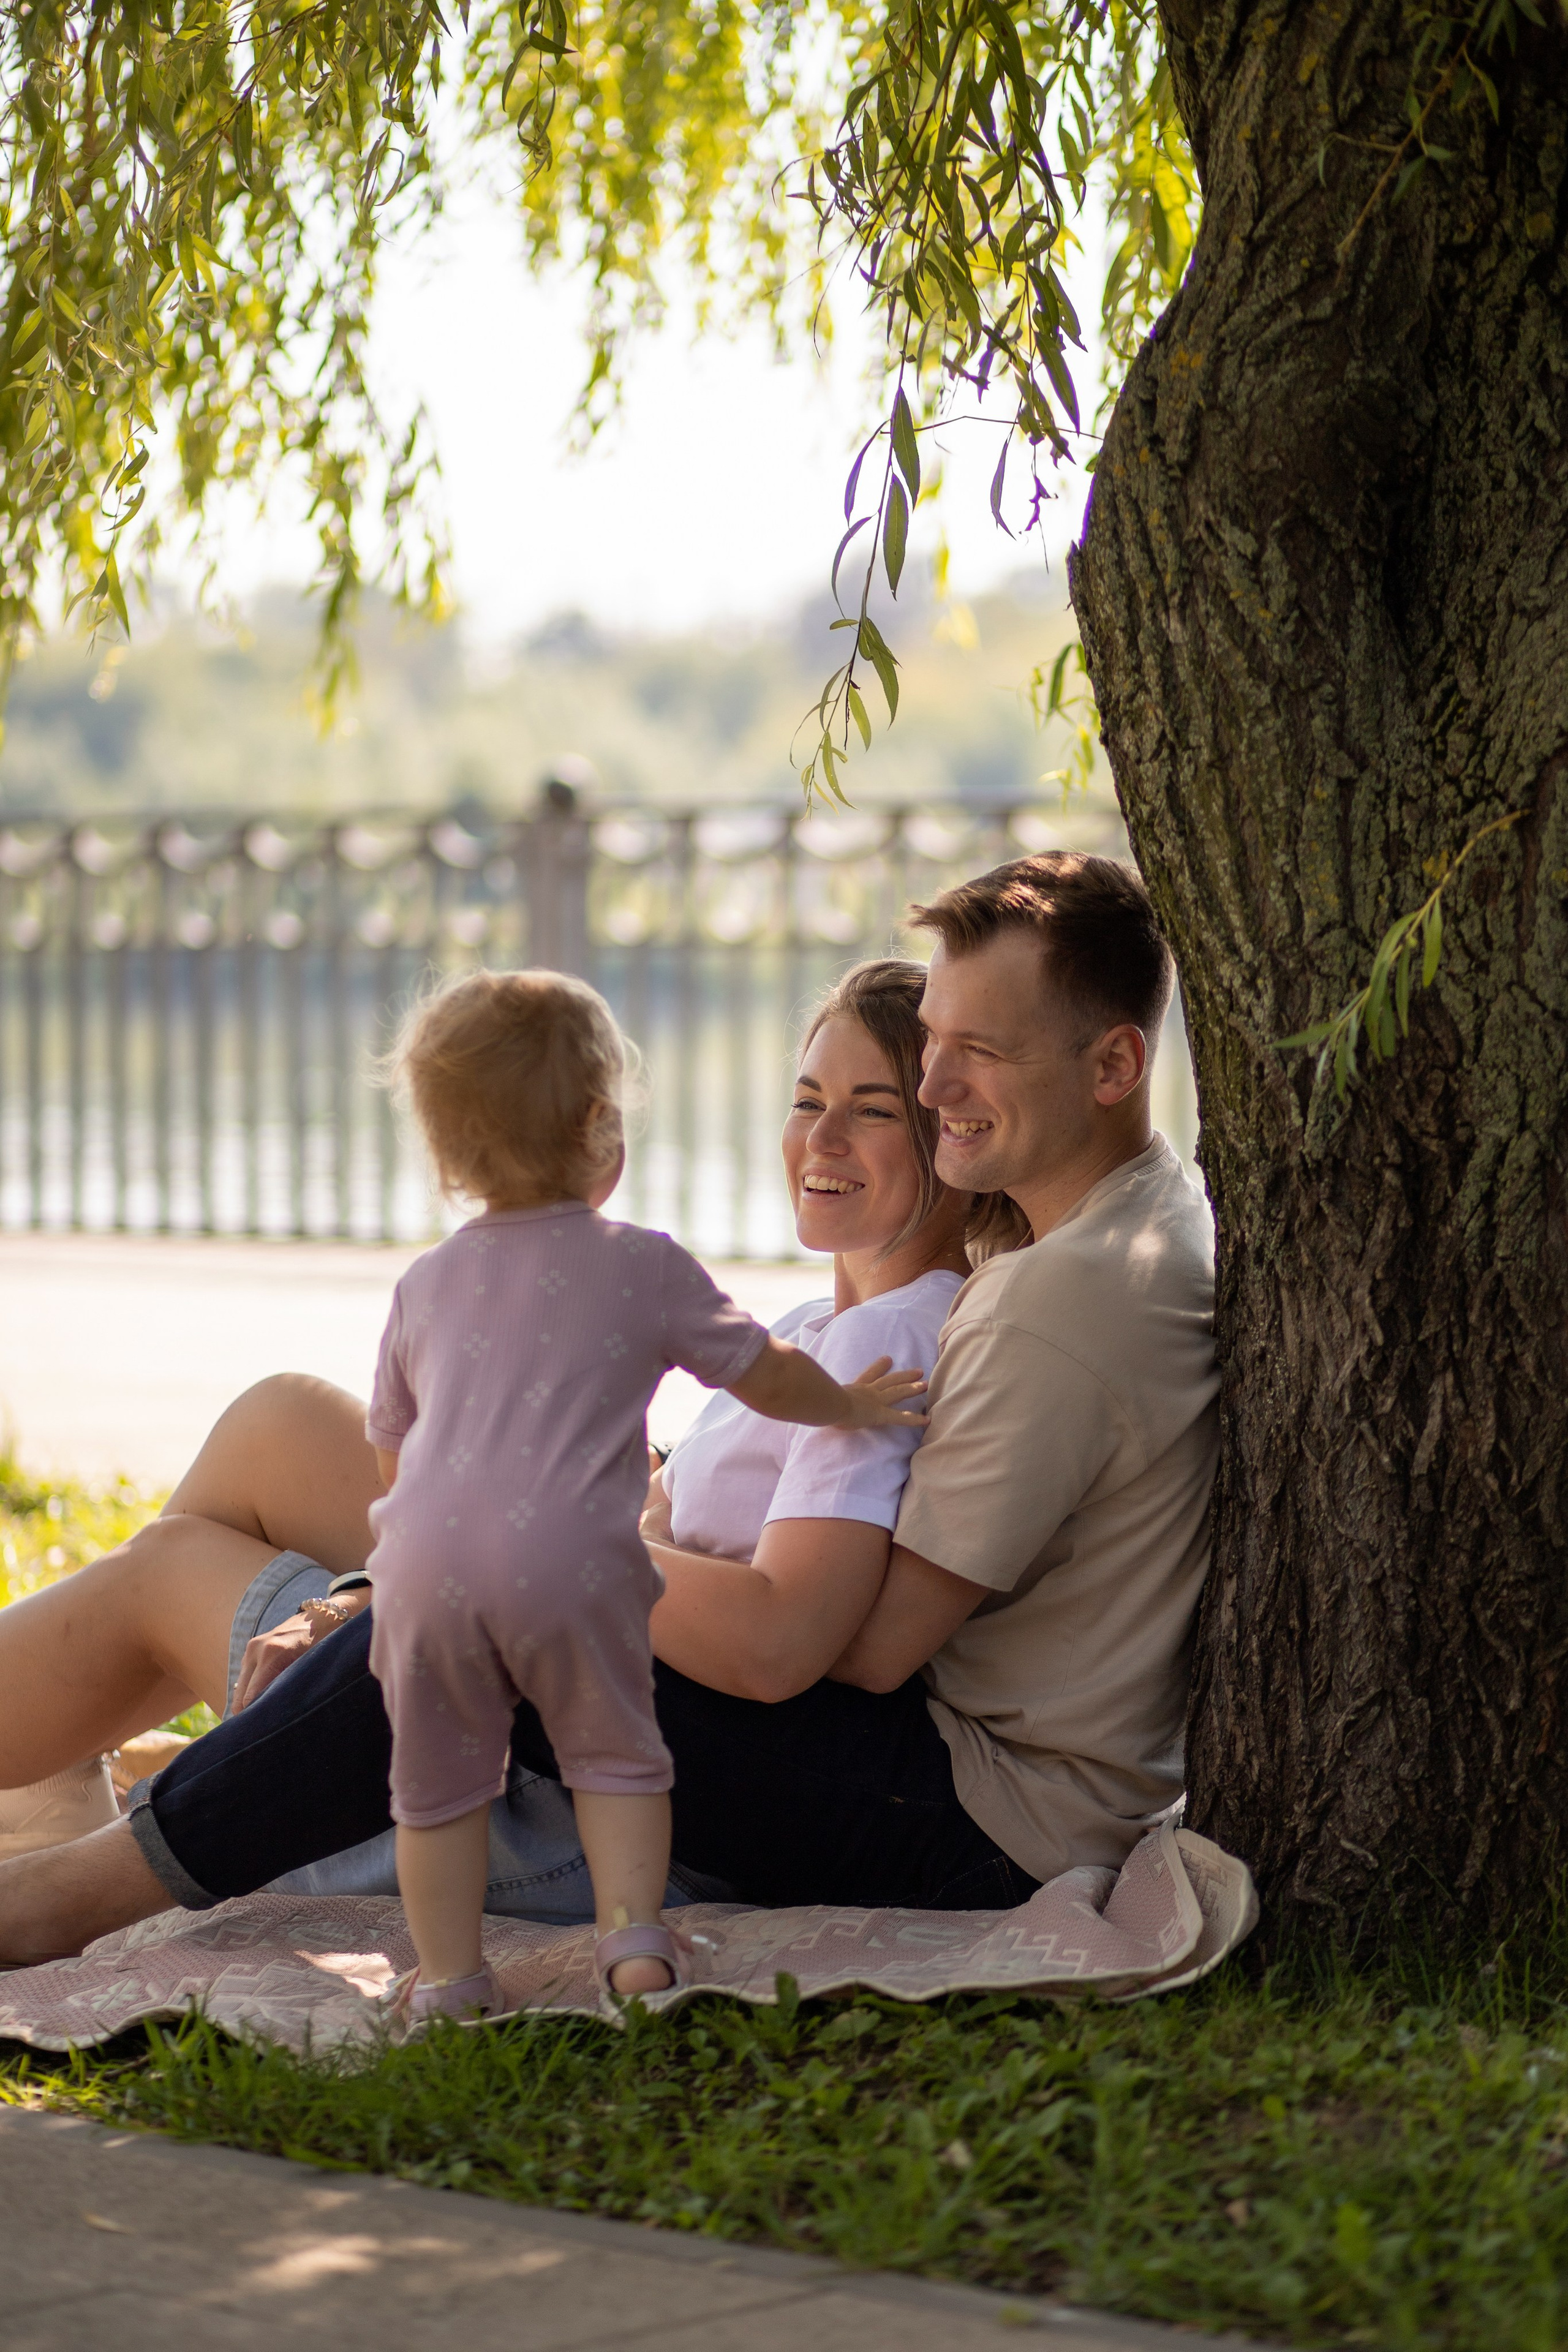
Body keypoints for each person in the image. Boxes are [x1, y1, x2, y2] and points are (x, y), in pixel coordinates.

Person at [0, 853, 1222, 1965]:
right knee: (300, 1442)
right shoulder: (1076, 1246)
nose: (939, 1080)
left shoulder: (1031, 1310)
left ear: (1113, 1065)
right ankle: (118, 1788)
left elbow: (833, 1644)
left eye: (964, 1060)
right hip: (892, 1737)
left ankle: (72, 1885)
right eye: (925, 1051)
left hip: (964, 1805)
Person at [353, 967, 923, 2020]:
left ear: (443, 1154)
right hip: (578, 1561)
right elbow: (763, 1372)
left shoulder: (422, 1285)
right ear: (603, 1136)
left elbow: (394, 1447)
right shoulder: (644, 1265)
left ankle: (449, 1983)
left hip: (427, 1563)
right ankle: (636, 1955)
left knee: (436, 1789)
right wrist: (848, 1407)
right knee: (614, 1755)